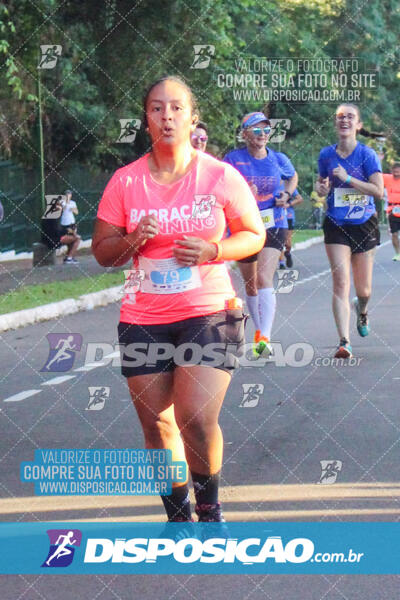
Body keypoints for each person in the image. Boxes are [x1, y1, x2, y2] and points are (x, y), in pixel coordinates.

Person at [92, 76, 265, 523]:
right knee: (158, 424)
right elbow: (103, 253)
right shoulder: (125, 182)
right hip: (144, 315)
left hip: (208, 310)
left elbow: (253, 234)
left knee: (194, 416)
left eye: (175, 108)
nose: (166, 117)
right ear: (146, 119)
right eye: (156, 109)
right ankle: (177, 516)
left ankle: (210, 510)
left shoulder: (219, 176)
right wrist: (132, 240)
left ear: (192, 117)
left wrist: (215, 250)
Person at [223, 112, 298, 356]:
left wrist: (286, 194)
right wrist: (243, 193)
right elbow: (222, 189)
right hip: (243, 226)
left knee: (264, 278)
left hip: (274, 223)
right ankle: (258, 330)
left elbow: (292, 176)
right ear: (244, 134)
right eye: (256, 130)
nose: (263, 134)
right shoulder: (233, 160)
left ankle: (264, 338)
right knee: (251, 284)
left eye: (266, 130)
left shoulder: (278, 159)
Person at [316, 103, 383, 358]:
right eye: (340, 117)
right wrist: (322, 189)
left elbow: (378, 191)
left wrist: (347, 179)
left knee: (364, 290)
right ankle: (344, 341)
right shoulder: (326, 155)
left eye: (350, 117)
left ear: (359, 125)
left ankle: (362, 310)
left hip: (364, 224)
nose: (344, 120)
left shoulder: (367, 155)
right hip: (336, 223)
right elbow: (323, 184)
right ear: (336, 123)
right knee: (341, 282)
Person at [278, 189, 303, 269]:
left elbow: (299, 199)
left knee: (287, 243)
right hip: (277, 217)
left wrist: (288, 204)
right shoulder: (274, 184)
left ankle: (287, 253)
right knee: (279, 241)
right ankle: (281, 263)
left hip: (288, 216)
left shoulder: (289, 186)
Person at [383, 162, 400, 261]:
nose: (396, 174)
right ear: (391, 171)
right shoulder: (387, 178)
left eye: (398, 172)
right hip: (392, 210)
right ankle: (398, 253)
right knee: (394, 234)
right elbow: (374, 175)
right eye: (394, 172)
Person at [60, 190, 81, 264]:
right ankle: (69, 257)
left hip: (72, 223)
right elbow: (64, 208)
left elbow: (76, 212)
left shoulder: (73, 203)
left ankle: (69, 257)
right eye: (67, 194)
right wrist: (67, 201)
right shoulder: (62, 202)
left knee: (73, 240)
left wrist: (73, 209)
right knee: (75, 238)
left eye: (69, 194)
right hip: (65, 224)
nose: (68, 196)